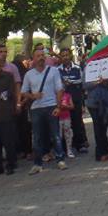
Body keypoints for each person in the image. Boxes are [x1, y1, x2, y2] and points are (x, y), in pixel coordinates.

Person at [20, 46, 67, 174]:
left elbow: (59, 89)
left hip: (51, 105)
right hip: (36, 108)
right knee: (37, 137)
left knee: (55, 135)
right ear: (33, 59)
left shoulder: (53, 71)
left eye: (43, 56)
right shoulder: (29, 74)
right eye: (38, 56)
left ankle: (60, 159)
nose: (41, 58)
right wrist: (32, 96)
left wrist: (58, 106)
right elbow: (23, 91)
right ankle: (37, 163)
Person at [84, 54, 108, 162]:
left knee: (105, 125)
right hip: (93, 103)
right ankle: (101, 152)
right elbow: (85, 85)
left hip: (107, 102)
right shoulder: (88, 68)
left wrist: (105, 82)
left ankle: (105, 147)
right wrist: (95, 82)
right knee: (98, 127)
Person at [57, 46, 89, 154]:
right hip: (63, 100)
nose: (65, 58)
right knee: (64, 124)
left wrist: (71, 82)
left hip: (75, 98)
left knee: (77, 121)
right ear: (60, 58)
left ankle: (79, 144)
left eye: (67, 55)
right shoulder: (57, 70)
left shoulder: (77, 68)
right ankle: (66, 146)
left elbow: (82, 80)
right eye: (63, 56)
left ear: (70, 55)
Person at [12, 52, 33, 158]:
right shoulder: (26, 73)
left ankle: (18, 150)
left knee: (16, 129)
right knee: (26, 128)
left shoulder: (11, 72)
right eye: (26, 61)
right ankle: (28, 150)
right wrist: (22, 102)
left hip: (14, 105)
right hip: (24, 105)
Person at [58, 90, 75, 158]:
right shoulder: (54, 95)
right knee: (59, 135)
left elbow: (72, 106)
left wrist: (66, 107)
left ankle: (69, 150)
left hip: (66, 117)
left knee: (68, 134)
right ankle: (60, 151)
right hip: (58, 118)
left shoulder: (67, 95)